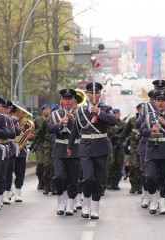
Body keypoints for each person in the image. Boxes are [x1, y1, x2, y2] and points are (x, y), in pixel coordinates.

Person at [68, 82, 117, 219]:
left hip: (101, 147)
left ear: (100, 95)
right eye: (91, 93)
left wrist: (99, 113)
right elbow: (75, 130)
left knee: (98, 180)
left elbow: (113, 121)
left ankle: (95, 208)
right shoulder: (80, 111)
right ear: (88, 94)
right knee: (87, 178)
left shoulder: (106, 109)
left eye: (96, 93)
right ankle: (86, 205)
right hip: (85, 147)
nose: (94, 96)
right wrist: (70, 146)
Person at [47, 88, 81, 216]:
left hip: (74, 149)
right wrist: (60, 123)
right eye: (65, 99)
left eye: (70, 99)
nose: (67, 102)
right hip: (59, 148)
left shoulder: (79, 114)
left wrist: (73, 121)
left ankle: (71, 204)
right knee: (59, 176)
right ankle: (61, 200)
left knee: (73, 178)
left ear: (74, 101)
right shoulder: (55, 114)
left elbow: (83, 131)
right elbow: (49, 129)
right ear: (61, 100)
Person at [121, 103, 143, 194]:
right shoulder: (132, 120)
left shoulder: (147, 119)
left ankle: (141, 186)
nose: (141, 110)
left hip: (144, 145)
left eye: (143, 109)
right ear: (137, 109)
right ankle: (134, 185)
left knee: (143, 166)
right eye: (140, 108)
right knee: (134, 165)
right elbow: (125, 132)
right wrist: (120, 142)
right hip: (134, 145)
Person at [32, 104, 50, 191]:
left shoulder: (51, 119)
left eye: (48, 109)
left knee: (46, 164)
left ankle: (46, 181)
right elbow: (33, 131)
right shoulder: (37, 120)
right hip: (39, 144)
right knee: (40, 163)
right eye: (45, 109)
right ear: (42, 110)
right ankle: (40, 181)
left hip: (48, 144)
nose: (47, 111)